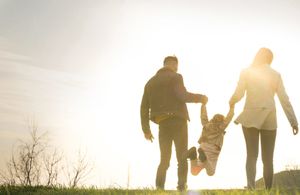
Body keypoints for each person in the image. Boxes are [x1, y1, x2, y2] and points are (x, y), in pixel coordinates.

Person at [229, 48, 298, 190]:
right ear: (270, 59)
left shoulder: (247, 72)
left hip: (250, 117)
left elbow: (239, 93)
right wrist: (293, 121)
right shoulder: (276, 75)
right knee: (268, 159)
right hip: (269, 118)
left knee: (251, 155)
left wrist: (232, 101)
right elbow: (284, 100)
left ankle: (251, 187)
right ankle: (268, 190)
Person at [140, 56, 208, 191]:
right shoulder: (176, 77)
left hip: (163, 123)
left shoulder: (150, 83)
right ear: (174, 65)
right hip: (178, 121)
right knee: (182, 156)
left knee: (164, 159)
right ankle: (181, 187)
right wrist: (201, 98)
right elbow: (183, 95)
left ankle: (159, 188)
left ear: (163, 64)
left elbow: (143, 108)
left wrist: (146, 130)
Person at [184, 102, 234, 176]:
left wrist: (203, 105)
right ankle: (204, 159)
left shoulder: (206, 125)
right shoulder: (221, 127)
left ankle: (193, 155)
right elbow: (228, 119)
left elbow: (203, 116)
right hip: (213, 150)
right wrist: (232, 108)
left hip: (203, 147)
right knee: (211, 172)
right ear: (222, 121)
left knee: (194, 172)